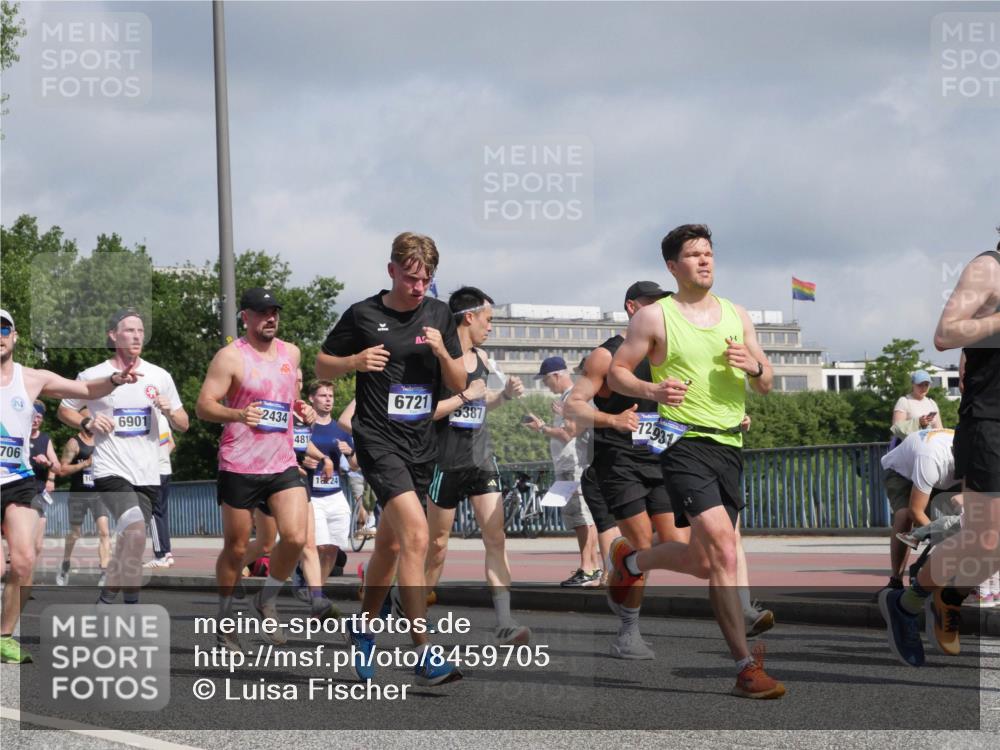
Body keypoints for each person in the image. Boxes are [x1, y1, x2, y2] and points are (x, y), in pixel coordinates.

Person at [606, 224, 785, 699]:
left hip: (730, 445)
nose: (705, 261)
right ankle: (746, 667)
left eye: (708, 253)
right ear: (672, 266)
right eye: (693, 255)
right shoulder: (654, 318)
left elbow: (766, 383)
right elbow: (618, 373)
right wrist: (651, 389)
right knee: (726, 549)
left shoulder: (737, 315)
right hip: (683, 443)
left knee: (707, 562)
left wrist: (757, 368)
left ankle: (632, 561)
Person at [316, 231, 466, 686]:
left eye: (427, 279)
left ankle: (363, 628)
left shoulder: (440, 314)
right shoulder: (364, 314)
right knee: (417, 536)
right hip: (377, 440)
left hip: (422, 444)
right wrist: (354, 362)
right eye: (411, 278)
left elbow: (458, 382)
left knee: (392, 544)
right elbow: (322, 364)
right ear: (392, 271)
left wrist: (442, 350)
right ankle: (423, 650)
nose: (419, 287)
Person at [880, 232, 1000, 666]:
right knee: (987, 541)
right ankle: (910, 602)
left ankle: (946, 595)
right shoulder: (989, 268)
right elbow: (946, 333)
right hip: (990, 423)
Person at [2, 308, 139, 663]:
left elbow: (83, 388)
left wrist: (115, 380)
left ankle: (4, 635)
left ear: (14, 337)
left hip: (17, 481)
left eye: (4, 328)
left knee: (24, 560)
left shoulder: (31, 378)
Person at [196, 288, 311, 652]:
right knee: (236, 547)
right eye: (262, 312)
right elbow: (203, 406)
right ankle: (226, 620)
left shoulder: (291, 353)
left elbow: (286, 397)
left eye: (274, 311)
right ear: (245, 317)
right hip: (240, 463)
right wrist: (238, 414)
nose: (270, 318)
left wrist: (301, 408)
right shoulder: (230, 358)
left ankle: (267, 599)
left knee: (294, 537)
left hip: (281, 462)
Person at [58, 308, 189, 608]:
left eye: (141, 331)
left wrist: (170, 410)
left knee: (134, 543)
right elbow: (64, 408)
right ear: (113, 335)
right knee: (134, 531)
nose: (137, 336)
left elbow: (184, 423)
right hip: (110, 470)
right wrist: (86, 423)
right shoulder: (92, 376)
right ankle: (129, 607)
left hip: (147, 473)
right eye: (129, 330)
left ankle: (109, 602)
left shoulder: (160, 376)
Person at [423, 285, 530, 646]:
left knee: (495, 538)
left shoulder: (484, 360)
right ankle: (414, 609)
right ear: (469, 317)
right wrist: (464, 396)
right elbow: (426, 414)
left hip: (481, 461)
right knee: (437, 544)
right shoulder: (439, 360)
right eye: (488, 319)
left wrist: (504, 397)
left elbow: (484, 409)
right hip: (445, 462)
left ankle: (504, 621)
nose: (491, 327)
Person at [523, 356, 601, 587]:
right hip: (569, 465)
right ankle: (591, 566)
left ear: (557, 375)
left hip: (575, 465)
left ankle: (588, 568)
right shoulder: (569, 398)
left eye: (547, 380)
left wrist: (542, 428)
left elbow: (569, 433)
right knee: (581, 517)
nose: (546, 385)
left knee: (582, 517)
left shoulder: (574, 398)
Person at [296, 379, 358, 615]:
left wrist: (350, 451)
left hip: (335, 494)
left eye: (330, 396)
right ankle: (314, 592)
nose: (328, 399)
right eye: (323, 396)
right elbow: (291, 454)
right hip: (311, 495)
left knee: (332, 549)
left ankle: (317, 593)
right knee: (318, 545)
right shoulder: (306, 426)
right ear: (312, 398)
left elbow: (353, 466)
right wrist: (303, 460)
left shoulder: (341, 429)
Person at [56, 427, 112, 586]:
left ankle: (104, 571)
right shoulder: (74, 443)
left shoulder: (104, 439)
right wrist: (86, 463)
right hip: (78, 495)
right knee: (75, 534)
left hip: (98, 495)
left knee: (104, 532)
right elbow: (63, 469)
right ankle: (65, 563)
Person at [28, 401, 61, 560]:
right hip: (18, 492)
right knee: (21, 542)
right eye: (33, 416)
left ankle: (28, 582)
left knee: (37, 544)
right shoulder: (17, 435)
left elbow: (57, 467)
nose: (35, 420)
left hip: (39, 493)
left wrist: (48, 463)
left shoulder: (45, 439)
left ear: (42, 419)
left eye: (38, 417)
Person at [144, 412, 175, 568]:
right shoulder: (163, 419)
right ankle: (167, 553)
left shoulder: (148, 419)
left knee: (152, 513)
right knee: (162, 512)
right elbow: (171, 443)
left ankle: (159, 555)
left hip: (153, 473)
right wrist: (163, 457)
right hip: (166, 469)